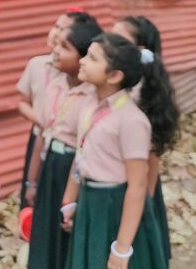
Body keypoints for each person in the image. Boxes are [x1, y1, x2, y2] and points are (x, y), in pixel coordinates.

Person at [61, 34, 169, 269]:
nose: (82, 61)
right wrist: (70, 199)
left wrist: (122, 248)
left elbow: (138, 185)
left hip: (116, 206)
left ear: (114, 76)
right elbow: (81, 156)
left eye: (92, 58)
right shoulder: (89, 106)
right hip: (90, 201)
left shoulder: (132, 121)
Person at [26, 13, 103, 269]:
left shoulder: (93, 97)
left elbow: (86, 151)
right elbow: (42, 133)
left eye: (65, 48)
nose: (55, 52)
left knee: (67, 237)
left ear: (83, 58)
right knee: (43, 233)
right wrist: (32, 180)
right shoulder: (55, 86)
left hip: (73, 170)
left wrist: (73, 196)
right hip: (51, 166)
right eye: (57, 45)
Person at [113, 16, 180, 262]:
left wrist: (146, 206)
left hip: (137, 190)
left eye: (120, 40)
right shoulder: (115, 85)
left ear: (140, 51)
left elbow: (151, 158)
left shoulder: (142, 93)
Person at [16, 12, 70, 208]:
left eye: (64, 30)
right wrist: (41, 120)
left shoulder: (75, 74)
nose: (56, 33)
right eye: (56, 26)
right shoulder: (36, 65)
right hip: (39, 135)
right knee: (31, 194)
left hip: (61, 143)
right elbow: (22, 102)